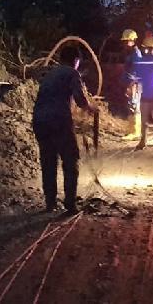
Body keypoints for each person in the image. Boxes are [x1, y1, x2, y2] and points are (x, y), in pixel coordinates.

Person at [32, 45, 98, 213]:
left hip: (39, 120)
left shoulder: (50, 73)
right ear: (75, 60)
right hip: (58, 121)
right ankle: (70, 204)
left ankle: (50, 203)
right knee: (70, 160)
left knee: (48, 161)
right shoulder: (71, 73)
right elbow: (80, 99)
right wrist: (91, 108)